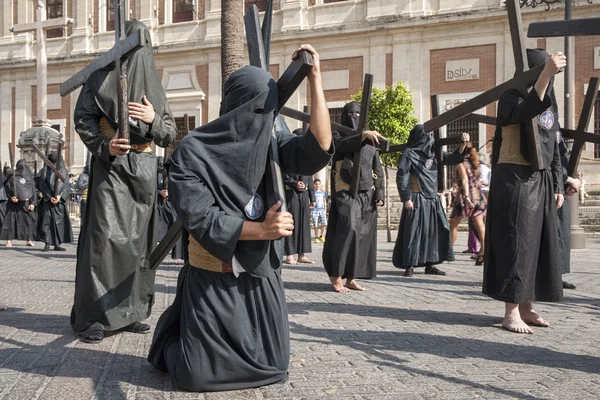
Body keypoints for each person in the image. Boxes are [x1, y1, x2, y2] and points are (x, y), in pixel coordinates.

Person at [147, 45, 333, 392]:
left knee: (274, 368)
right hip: (213, 277)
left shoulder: (272, 144)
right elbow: (202, 219)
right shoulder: (191, 153)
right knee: (195, 376)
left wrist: (315, 79)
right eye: (257, 108)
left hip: (261, 274)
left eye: (269, 110)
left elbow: (317, 149)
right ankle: (170, 344)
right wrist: (261, 229)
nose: (263, 118)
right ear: (236, 107)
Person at [70, 20, 177, 344]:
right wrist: (105, 147)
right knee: (103, 243)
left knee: (138, 244)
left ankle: (131, 311)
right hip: (111, 167)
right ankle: (94, 317)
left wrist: (152, 119)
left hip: (144, 171)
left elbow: (170, 133)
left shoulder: (154, 87)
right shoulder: (98, 78)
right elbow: (83, 119)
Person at [483, 49, 566, 334]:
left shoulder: (550, 106)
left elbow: (553, 147)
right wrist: (545, 75)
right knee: (515, 244)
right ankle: (511, 312)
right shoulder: (510, 97)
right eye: (545, 72)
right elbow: (524, 111)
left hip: (540, 182)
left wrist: (557, 185)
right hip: (514, 178)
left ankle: (528, 307)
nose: (550, 78)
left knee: (537, 247)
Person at [322, 101, 385, 292]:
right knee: (347, 229)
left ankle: (351, 277)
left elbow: (378, 168)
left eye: (358, 113)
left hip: (367, 193)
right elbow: (338, 146)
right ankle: (336, 275)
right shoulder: (336, 134)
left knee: (362, 235)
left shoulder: (371, 140)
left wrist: (380, 193)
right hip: (345, 190)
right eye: (351, 113)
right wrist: (361, 137)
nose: (354, 116)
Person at [393, 126, 469, 277]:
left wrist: (463, 145)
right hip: (416, 198)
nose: (429, 138)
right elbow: (402, 175)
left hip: (432, 198)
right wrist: (406, 198)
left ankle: (430, 264)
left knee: (433, 233)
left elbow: (452, 159)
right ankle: (410, 265)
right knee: (413, 232)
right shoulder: (409, 153)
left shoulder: (435, 152)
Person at [449, 145, 487, 266]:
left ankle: (448, 251)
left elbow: (464, 180)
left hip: (467, 194)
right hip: (478, 194)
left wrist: (465, 196)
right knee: (479, 223)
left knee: (453, 222)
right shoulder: (474, 163)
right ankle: (484, 251)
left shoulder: (461, 163)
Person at [284, 129, 315, 265]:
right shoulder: (287, 157)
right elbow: (284, 175)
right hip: (291, 194)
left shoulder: (308, 158)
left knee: (303, 225)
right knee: (291, 224)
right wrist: (294, 183)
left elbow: (310, 179)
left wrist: (312, 197)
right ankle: (289, 255)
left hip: (303, 197)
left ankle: (301, 254)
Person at [38, 151, 73, 252]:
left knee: (59, 223)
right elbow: (43, 184)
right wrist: (49, 197)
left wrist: (60, 196)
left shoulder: (64, 171)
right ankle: (47, 243)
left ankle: (57, 243)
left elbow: (67, 185)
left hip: (59, 201)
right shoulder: (45, 170)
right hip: (48, 201)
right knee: (47, 222)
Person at [1, 160, 37, 247]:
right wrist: (11, 197)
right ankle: (9, 240)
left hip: (26, 203)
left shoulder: (29, 178)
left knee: (28, 222)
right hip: (14, 203)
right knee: (11, 222)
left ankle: (29, 239)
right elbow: (7, 188)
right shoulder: (12, 177)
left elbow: (34, 191)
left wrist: (33, 203)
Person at [156, 155, 182, 260]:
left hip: (171, 205)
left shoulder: (174, 174)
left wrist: (169, 193)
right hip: (159, 205)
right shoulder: (156, 174)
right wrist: (159, 192)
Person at [312, 178, 327, 243]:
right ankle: (316, 236)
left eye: (318, 184)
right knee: (315, 223)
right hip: (315, 210)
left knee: (324, 223)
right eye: (316, 184)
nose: (317, 185)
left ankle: (322, 235)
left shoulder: (323, 193)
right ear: (314, 185)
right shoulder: (313, 193)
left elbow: (324, 202)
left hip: (322, 209)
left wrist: (325, 210)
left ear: (320, 185)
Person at [76, 162, 90, 228]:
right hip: (85, 199)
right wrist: (90, 181)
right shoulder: (83, 175)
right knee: (84, 219)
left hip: (96, 200)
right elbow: (80, 186)